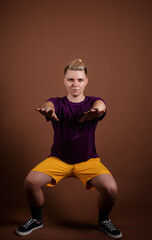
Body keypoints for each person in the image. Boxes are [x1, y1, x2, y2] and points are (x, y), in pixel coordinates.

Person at [16, 59, 122, 239]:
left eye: (79, 80)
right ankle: (36, 219)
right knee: (30, 182)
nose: (75, 84)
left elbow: (101, 106)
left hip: (88, 161)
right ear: (64, 80)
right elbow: (49, 105)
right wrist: (47, 110)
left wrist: (97, 111)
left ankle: (104, 220)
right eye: (71, 79)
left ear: (86, 81)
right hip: (59, 160)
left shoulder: (93, 101)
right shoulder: (56, 102)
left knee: (111, 189)